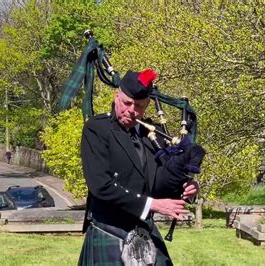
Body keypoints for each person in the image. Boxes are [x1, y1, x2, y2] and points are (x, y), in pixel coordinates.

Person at [78, 69, 201, 266]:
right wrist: (152, 205)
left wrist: (187, 187)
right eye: (126, 103)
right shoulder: (97, 129)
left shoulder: (153, 135)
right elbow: (100, 186)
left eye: (139, 106)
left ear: (147, 105)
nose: (131, 111)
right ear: (116, 96)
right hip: (109, 229)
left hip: (145, 232)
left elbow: (160, 183)